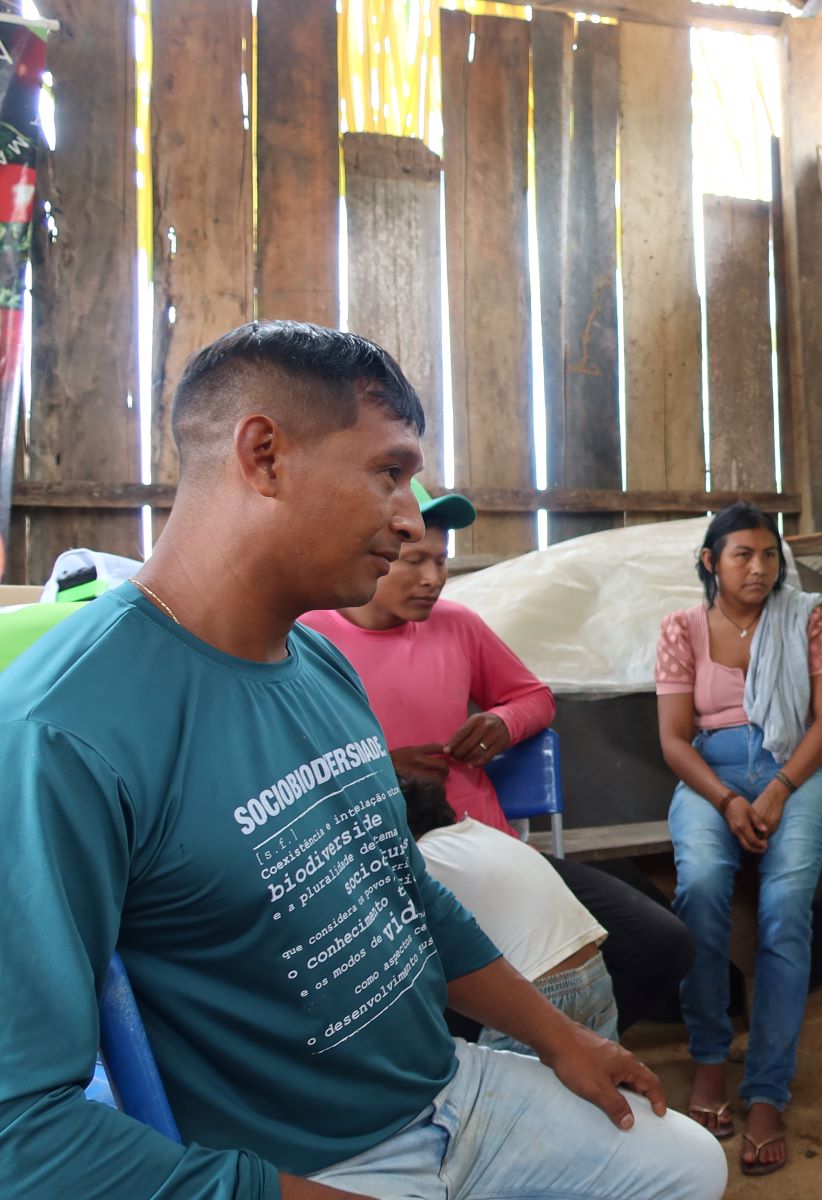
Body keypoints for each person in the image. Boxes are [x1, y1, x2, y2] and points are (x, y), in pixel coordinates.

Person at [0, 321, 725, 1199]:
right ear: (264, 454)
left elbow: (405, 890)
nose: (410, 519)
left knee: (686, 1164)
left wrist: (558, 1036)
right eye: (389, 471)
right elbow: (24, 1134)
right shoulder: (62, 728)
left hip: (448, 1092)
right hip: (307, 1164)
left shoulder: (320, 663)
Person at [302, 486, 694, 1034]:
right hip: (388, 872)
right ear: (367, 555)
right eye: (415, 561)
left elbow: (535, 698)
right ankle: (504, 1063)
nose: (433, 579)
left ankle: (547, 1056)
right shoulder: (307, 641)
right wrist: (380, 771)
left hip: (489, 847)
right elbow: (284, 771)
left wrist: (501, 724)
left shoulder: (456, 624)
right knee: (436, 1001)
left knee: (661, 944)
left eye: (441, 561)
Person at [655, 501, 822, 1176]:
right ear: (711, 561)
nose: (760, 568)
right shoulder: (683, 629)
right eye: (743, 554)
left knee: (784, 908)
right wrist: (729, 798)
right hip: (711, 774)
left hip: (799, 770)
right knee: (702, 886)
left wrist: (776, 790)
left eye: (770, 555)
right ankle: (709, 1062)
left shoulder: (806, 618)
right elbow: (675, 742)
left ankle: (767, 1091)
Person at [402, 773, 620, 1048]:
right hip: (594, 973)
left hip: (540, 991)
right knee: (599, 1086)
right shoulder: (479, 833)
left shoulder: (422, 857)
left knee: (509, 1090)